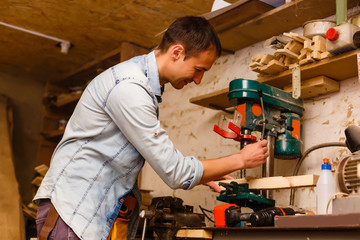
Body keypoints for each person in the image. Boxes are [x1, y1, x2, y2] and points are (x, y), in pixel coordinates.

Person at [34, 16, 269, 240]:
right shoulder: (130, 88)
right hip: (74, 214)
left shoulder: (141, 83)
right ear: (177, 52)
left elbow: (161, 156)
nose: (198, 80)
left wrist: (202, 175)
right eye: (199, 69)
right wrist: (242, 159)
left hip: (88, 213)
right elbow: (174, 171)